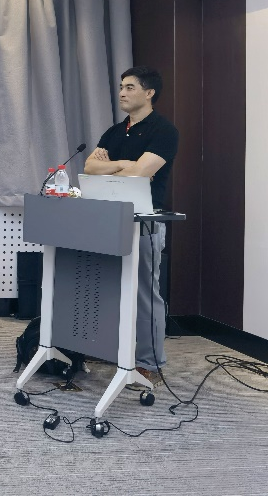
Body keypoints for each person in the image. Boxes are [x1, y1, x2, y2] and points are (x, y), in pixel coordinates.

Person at [83, 66, 179, 388]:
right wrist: (124, 164)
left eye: (130, 87)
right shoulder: (114, 131)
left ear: (149, 93)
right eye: (121, 86)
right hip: (108, 218)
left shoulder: (163, 131)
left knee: (144, 293)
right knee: (107, 285)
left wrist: (112, 168)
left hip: (144, 222)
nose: (122, 92)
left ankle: (149, 363)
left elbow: (140, 175)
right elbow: (89, 167)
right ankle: (111, 350)